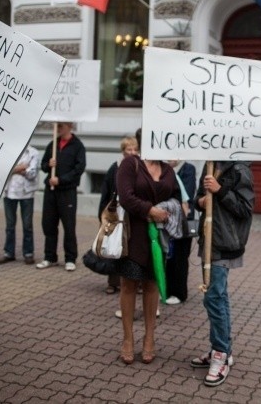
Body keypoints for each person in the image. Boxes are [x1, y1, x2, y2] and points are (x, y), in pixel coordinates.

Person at [190, 161, 254, 387]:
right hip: (209, 240)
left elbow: (245, 209)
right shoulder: (210, 165)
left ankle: (220, 354)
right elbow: (198, 200)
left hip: (225, 242)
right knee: (218, 296)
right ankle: (223, 348)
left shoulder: (239, 169)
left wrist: (220, 190)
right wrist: (201, 200)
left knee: (213, 297)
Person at [116, 154, 180, 364]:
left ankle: (149, 338)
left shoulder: (168, 169)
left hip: (158, 237)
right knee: (129, 285)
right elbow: (125, 197)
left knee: (152, 285)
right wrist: (150, 210)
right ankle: (127, 339)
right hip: (133, 234)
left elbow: (177, 198)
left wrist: (167, 209)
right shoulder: (131, 163)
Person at [37, 122, 86, 271]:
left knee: (69, 225)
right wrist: (48, 165)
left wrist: (61, 179)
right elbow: (43, 165)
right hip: (51, 190)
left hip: (67, 191)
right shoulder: (53, 144)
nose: (58, 129)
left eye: (61, 126)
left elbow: (79, 168)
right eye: (57, 126)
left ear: (69, 126)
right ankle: (50, 257)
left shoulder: (78, 146)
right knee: (49, 224)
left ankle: (70, 258)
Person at [98, 136, 139, 294]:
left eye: (135, 149)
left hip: (132, 214)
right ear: (123, 151)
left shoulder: (139, 167)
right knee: (114, 246)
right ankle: (113, 281)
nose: (133, 152)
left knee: (131, 248)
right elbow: (106, 192)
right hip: (117, 213)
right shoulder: (114, 168)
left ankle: (135, 282)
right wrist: (103, 216)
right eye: (129, 149)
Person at [0, 143, 39, 265]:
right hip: (9, 192)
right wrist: (19, 168)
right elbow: (1, 170)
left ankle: (28, 253)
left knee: (27, 225)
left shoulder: (33, 153)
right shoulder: (6, 151)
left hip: (26, 193)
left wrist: (13, 169)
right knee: (9, 225)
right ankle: (9, 253)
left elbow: (32, 173)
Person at [165, 160, 197, 305]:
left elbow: (187, 193)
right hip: (167, 219)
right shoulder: (164, 168)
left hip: (183, 220)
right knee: (168, 257)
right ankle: (166, 289)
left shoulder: (188, 169)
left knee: (180, 257)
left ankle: (178, 293)